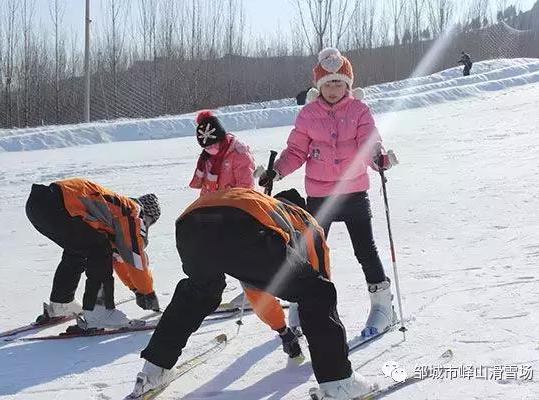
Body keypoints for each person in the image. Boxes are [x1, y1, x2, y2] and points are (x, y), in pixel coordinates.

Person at [125, 188, 374, 400]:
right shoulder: (306, 220)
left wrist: (282, 329)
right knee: (318, 292)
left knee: (199, 293)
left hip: (190, 224)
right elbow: (318, 282)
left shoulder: (263, 203)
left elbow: (255, 285)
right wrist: (293, 331)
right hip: (241, 224)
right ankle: (338, 382)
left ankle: (153, 370)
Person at [258, 47, 398, 338]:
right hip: (320, 196)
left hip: (354, 193)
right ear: (318, 86)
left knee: (365, 250)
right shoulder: (309, 115)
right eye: (328, 83)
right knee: (310, 253)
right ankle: (304, 303)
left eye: (339, 83)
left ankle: (383, 305)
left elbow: (369, 142)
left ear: (348, 84)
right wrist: (278, 171)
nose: (334, 89)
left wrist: (378, 159)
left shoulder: (359, 110)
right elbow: (296, 150)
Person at [190, 110, 301, 358]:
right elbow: (206, 192)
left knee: (254, 272)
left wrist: (231, 211)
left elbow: (245, 189)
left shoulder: (239, 153)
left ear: (222, 138)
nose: (211, 151)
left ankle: (281, 321)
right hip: (216, 220)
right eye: (206, 148)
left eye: (215, 145)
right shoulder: (206, 158)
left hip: (240, 219)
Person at [25, 178, 161, 329]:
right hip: (60, 205)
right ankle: (99, 312)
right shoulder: (132, 212)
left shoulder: (111, 211)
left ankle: (62, 303)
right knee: (99, 248)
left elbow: (118, 258)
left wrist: (136, 288)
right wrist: (147, 292)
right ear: (148, 216)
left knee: (78, 250)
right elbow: (133, 254)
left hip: (38, 205)